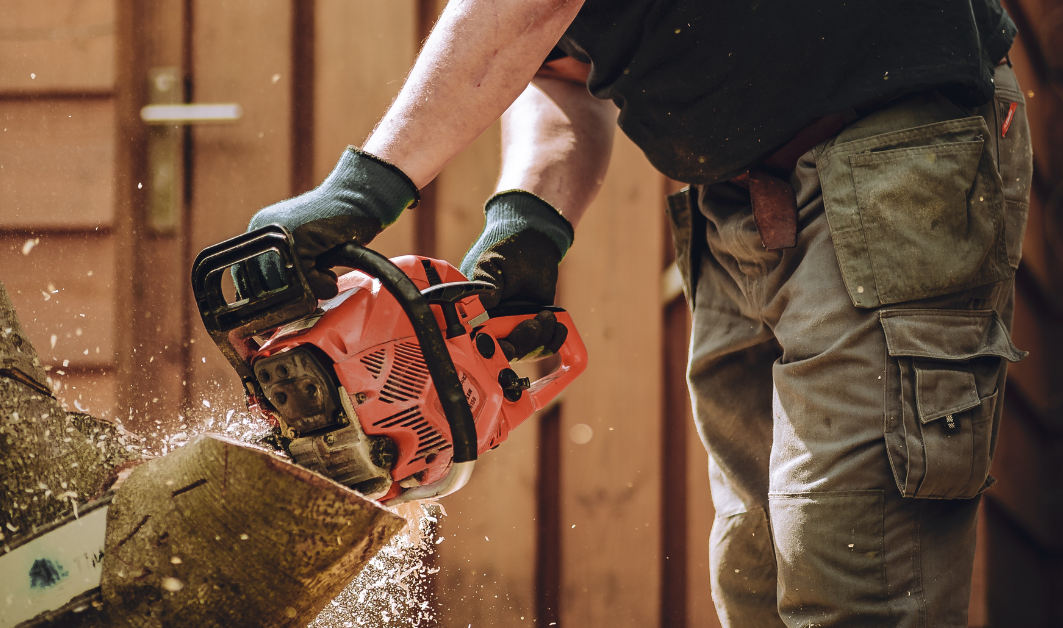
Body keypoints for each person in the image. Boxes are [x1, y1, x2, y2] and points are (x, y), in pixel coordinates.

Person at [237, 1, 1030, 625]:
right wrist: (528, 218)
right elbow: (560, 68)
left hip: (890, 147)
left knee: (855, 578)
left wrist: (365, 188)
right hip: (739, 197)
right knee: (757, 572)